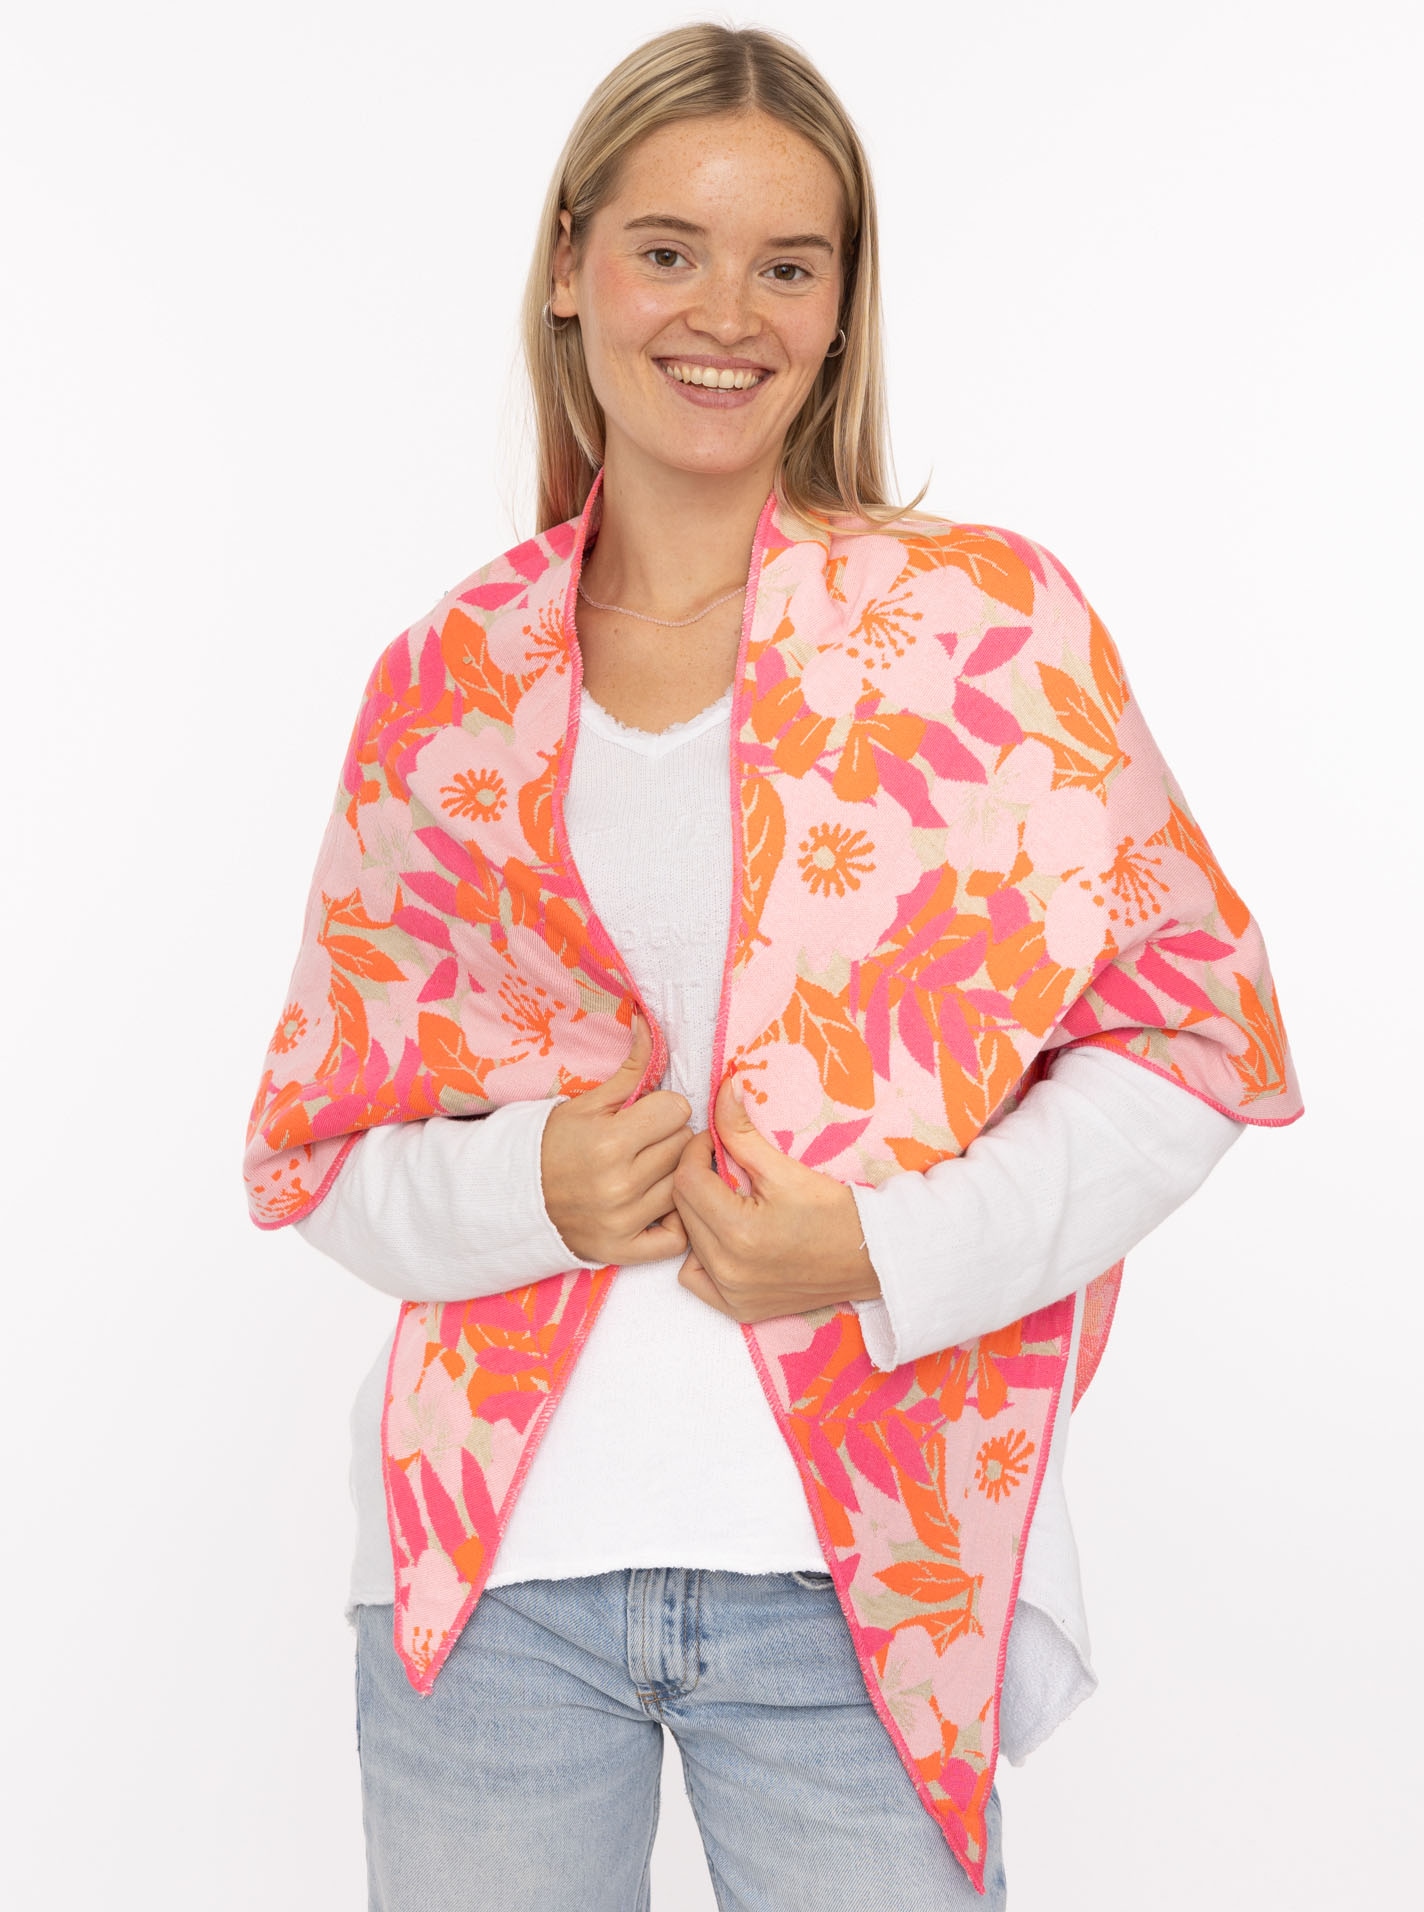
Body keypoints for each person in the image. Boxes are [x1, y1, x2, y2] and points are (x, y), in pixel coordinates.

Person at [244, 24, 1300, 1910]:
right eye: (668, 249)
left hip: (861, 1585)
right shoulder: (445, 682)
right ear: (570, 268)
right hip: (490, 1593)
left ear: (839, 307)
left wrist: (884, 1249)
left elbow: (1193, 1043)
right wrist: (536, 1189)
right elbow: (318, 1153)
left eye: (787, 264)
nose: (724, 313)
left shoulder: (981, 631)